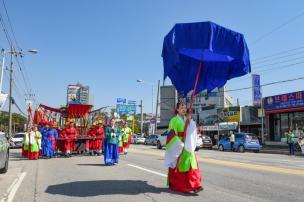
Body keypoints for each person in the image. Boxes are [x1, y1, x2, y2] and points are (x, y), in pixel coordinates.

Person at [165, 102, 203, 193]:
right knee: (178, 166)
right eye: (182, 107)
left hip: (188, 146)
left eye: (185, 107)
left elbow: (194, 130)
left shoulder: (188, 119)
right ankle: (174, 183)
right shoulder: (173, 121)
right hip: (178, 145)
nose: (184, 109)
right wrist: (179, 143)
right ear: (177, 109)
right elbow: (171, 134)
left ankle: (195, 185)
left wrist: (190, 121)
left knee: (192, 164)